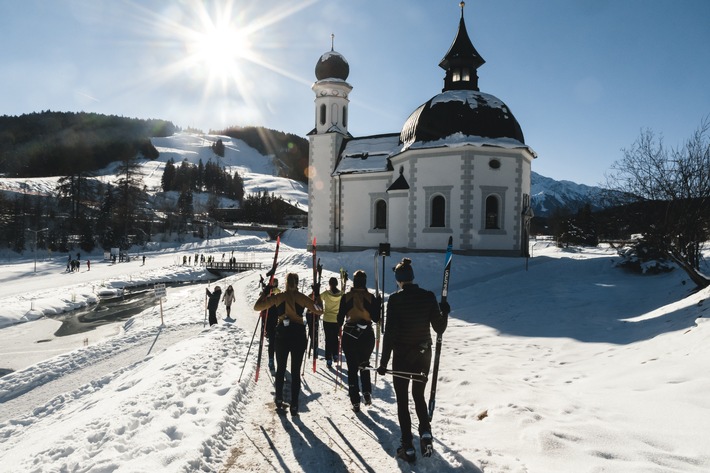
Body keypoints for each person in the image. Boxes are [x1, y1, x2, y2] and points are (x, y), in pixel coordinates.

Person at [377, 258, 449, 463]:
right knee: (418, 395)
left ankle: (407, 446)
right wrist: (444, 312)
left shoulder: (395, 300)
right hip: (423, 355)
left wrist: (383, 363)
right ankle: (425, 433)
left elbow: (390, 333)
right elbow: (440, 328)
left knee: (402, 400)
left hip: (401, 357)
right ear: (412, 277)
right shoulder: (428, 297)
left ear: (398, 280)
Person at [253, 272, 323, 416]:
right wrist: (317, 294)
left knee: (281, 369)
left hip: (282, 334)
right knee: (295, 372)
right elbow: (319, 310)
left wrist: (265, 293)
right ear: (297, 283)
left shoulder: (279, 297)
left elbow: (257, 307)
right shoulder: (302, 298)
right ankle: (294, 405)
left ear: (285, 282)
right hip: (298, 335)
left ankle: (279, 399)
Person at [337, 270, 381, 412]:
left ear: (354, 282)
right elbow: (375, 318)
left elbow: (339, 319)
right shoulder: (370, 297)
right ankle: (367, 391)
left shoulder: (346, 297)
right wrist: (378, 304)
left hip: (350, 334)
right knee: (364, 364)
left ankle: (355, 400)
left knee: (352, 368)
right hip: (366, 335)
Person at [320, 277, 343, 368]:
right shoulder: (341, 294)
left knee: (328, 339)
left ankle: (328, 359)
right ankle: (335, 355)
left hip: (327, 319)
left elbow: (318, 298)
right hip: (337, 320)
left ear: (330, 284)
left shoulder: (326, 294)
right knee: (335, 338)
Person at [264, 278, 281, 371]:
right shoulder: (267, 292)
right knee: (272, 342)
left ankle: (278, 361)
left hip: (277, 318)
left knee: (276, 342)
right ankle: (271, 360)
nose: (274, 284)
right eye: (273, 283)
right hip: (269, 318)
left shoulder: (277, 292)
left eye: (275, 283)